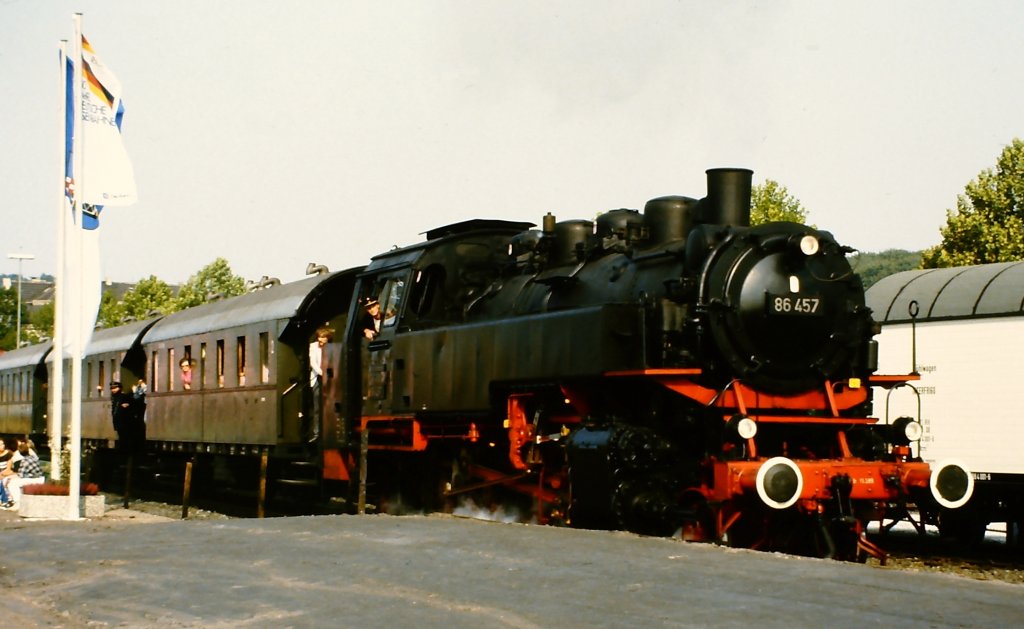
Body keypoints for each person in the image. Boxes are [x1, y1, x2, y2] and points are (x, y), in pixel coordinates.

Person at [307, 327, 333, 443]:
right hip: (317, 377)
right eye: (320, 337)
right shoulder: (313, 347)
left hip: (329, 377)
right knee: (317, 406)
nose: (321, 340)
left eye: (324, 337)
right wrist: (322, 373)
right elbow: (313, 363)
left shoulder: (331, 347)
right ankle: (317, 432)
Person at [3, 439, 44, 509]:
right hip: (40, 478)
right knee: (12, 481)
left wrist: (11, 477)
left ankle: (18, 502)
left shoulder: (24, 461)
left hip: (34, 480)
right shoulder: (33, 457)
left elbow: (20, 475)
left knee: (12, 483)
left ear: (20, 453)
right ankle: (14, 501)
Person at [111, 380, 146, 453]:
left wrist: (129, 407)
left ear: (119, 388)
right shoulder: (115, 398)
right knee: (123, 442)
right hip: (119, 425)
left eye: (115, 388)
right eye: (112, 388)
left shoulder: (125, 397)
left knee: (126, 443)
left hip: (126, 425)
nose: (113, 390)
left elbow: (135, 406)